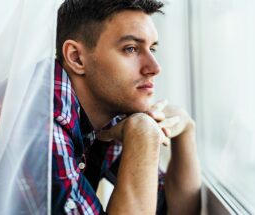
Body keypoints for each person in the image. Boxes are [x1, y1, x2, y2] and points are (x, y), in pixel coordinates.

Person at [52, 0, 201, 214]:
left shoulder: (108, 115)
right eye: (131, 49)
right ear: (76, 57)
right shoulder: (44, 120)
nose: (155, 68)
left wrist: (185, 129)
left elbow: (172, 210)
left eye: (152, 49)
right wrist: (143, 133)